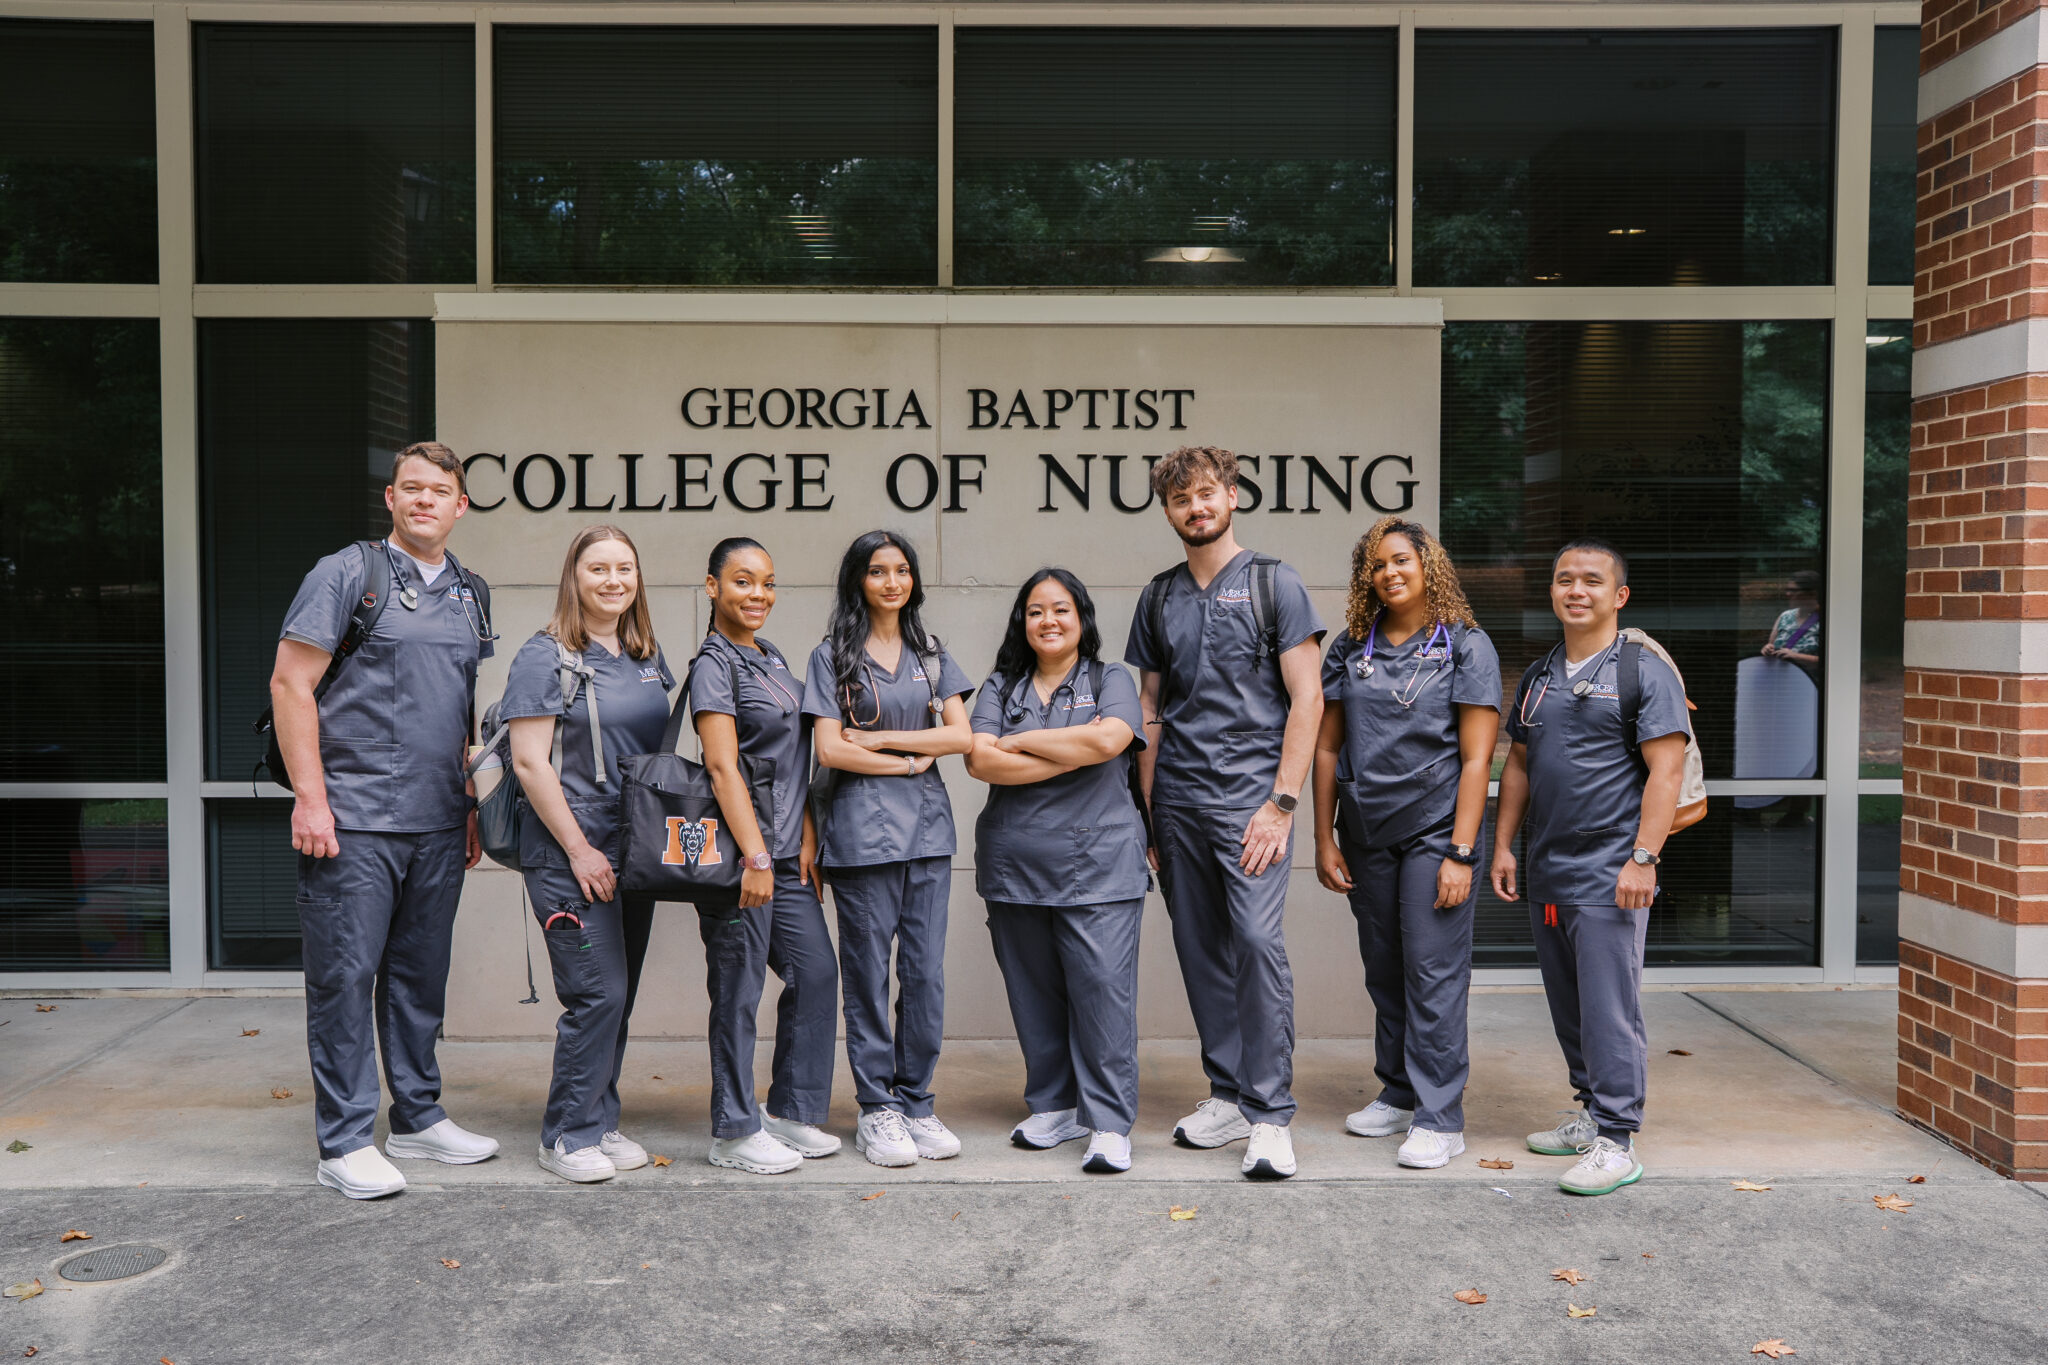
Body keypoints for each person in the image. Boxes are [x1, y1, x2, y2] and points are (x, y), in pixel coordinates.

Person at [270, 442, 499, 1199]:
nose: (426, 500)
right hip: (354, 817)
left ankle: (418, 1116)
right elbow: (290, 682)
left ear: (461, 505)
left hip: (437, 819)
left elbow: (460, 705)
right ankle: (342, 1140)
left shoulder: (471, 590)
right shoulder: (347, 573)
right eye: (412, 488)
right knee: (344, 977)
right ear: (392, 500)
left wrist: (466, 803)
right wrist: (311, 796)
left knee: (418, 977)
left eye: (441, 490)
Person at [1126, 445, 1326, 1180]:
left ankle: (1271, 1114)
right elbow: (1149, 708)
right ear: (1169, 511)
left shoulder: (1276, 584)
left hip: (1251, 799)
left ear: (1233, 496)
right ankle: (1229, 1093)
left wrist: (1281, 802)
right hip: (1176, 798)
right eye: (1182, 500)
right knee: (1200, 945)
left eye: (1208, 493)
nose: (1196, 508)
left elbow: (1309, 697)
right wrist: (1149, 814)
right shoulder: (1158, 596)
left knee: (1254, 940)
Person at [1491, 538, 1689, 1197]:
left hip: (1611, 871)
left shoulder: (1642, 670)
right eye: (1564, 579)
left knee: (1609, 1007)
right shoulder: (1542, 673)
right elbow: (1517, 764)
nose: (1576, 589)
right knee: (1569, 1004)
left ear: (1619, 596)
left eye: (1592, 581)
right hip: (1549, 869)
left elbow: (1667, 769)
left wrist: (1642, 857)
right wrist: (1504, 844)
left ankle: (1618, 1139)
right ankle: (1591, 1112)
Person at [1312, 517, 1499, 1170]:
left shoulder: (1466, 648)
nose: (1387, 572)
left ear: (1429, 566)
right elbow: (1328, 745)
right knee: (1385, 968)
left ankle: (1441, 1116)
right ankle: (1396, 1089)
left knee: (1432, 972)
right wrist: (1324, 838)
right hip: (1366, 833)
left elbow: (1478, 760)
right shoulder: (1350, 646)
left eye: (1400, 560)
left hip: (1435, 832)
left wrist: (1462, 851)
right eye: (1375, 564)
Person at [499, 525, 671, 1184]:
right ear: (574, 576)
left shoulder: (643, 654)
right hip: (571, 854)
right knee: (595, 993)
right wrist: (579, 849)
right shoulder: (545, 656)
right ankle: (565, 1133)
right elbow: (528, 762)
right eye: (598, 567)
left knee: (616, 997)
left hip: (635, 855)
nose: (613, 580)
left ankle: (599, 1117)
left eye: (625, 567)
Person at [965, 569, 1148, 1174]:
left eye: (1061, 609)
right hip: (1015, 863)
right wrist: (1072, 746)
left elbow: (1112, 742)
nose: (1049, 621)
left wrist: (1020, 745)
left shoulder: (1111, 678)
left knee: (1101, 996)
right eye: (1036, 610)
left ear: (1082, 618)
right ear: (1023, 621)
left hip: (1098, 864)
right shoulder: (1000, 685)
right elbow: (981, 762)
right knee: (1034, 992)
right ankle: (1054, 1104)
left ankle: (1109, 1123)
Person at [802, 531, 975, 1168]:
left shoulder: (930, 654)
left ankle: (918, 1102)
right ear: (858, 581)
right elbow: (828, 749)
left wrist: (877, 746)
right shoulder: (832, 658)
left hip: (928, 835)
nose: (893, 583)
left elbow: (961, 738)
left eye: (903, 571)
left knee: (924, 975)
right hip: (861, 836)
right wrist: (910, 760)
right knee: (870, 976)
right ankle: (878, 1107)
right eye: (878, 572)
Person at [688, 537, 842, 1175]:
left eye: (768, 583)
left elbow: (791, 759)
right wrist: (754, 855)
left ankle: (788, 1111)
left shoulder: (772, 656)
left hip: (784, 855)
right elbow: (722, 766)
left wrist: (804, 829)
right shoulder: (714, 663)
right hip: (740, 860)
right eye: (743, 582)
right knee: (739, 992)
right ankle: (733, 1129)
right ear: (713, 588)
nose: (758, 595)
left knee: (816, 973)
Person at [1761, 569, 1822, 682]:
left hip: (1811, 685)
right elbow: (1771, 645)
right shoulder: (1785, 616)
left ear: (1812, 593)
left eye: (1794, 591)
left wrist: (1797, 657)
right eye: (1787, 590)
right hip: (1783, 683)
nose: (1788, 594)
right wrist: (1767, 649)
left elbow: (1833, 662)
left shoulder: (1827, 620)